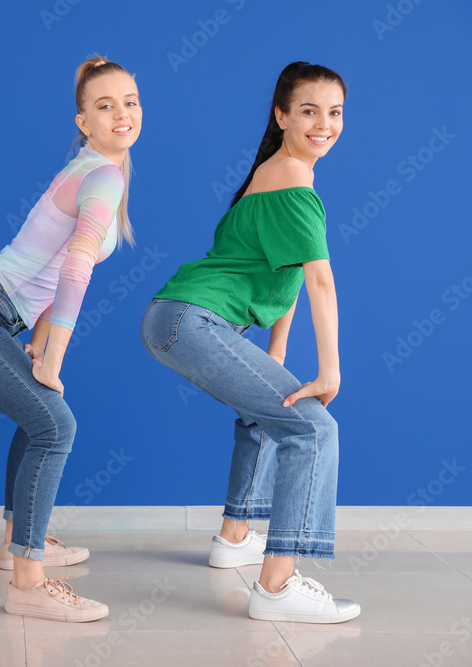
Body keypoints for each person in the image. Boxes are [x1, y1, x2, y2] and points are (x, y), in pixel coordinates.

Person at [0, 56, 140, 623]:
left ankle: (19, 540)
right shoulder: (103, 175)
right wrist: (55, 356)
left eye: (130, 102)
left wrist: (42, 340)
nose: (122, 114)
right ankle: (28, 581)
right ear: (83, 120)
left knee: (39, 417)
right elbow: (77, 266)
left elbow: (52, 263)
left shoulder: (95, 168)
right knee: (54, 422)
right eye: (105, 105)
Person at [140, 61, 360, 623]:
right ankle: (276, 589)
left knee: (269, 412)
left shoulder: (276, 172)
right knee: (313, 427)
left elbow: (281, 279)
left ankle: (235, 536)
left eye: (334, 113)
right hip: (195, 318)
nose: (324, 124)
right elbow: (318, 279)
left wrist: (279, 353)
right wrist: (329, 370)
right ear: (282, 115)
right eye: (309, 110)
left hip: (177, 317)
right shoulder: (293, 179)